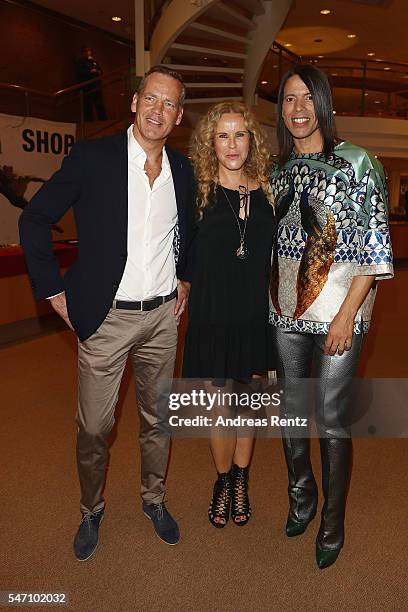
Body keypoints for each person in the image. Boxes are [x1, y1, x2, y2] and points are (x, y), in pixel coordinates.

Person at [19, 66, 196, 560]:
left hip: (162, 318)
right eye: (152, 99)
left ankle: (154, 499)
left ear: (178, 116)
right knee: (95, 427)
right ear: (136, 102)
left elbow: (189, 233)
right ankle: (91, 509)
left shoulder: (182, 170)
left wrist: (184, 277)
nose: (159, 110)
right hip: (106, 318)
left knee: (159, 419)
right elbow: (34, 219)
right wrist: (54, 291)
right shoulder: (93, 158)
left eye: (170, 104)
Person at [270, 65, 393, 568]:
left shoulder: (359, 162)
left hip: (341, 313)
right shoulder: (276, 170)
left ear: (324, 104)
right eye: (289, 99)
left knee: (333, 420)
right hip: (282, 312)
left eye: (307, 98)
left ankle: (332, 521)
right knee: (292, 415)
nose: (298, 109)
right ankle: (302, 497)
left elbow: (374, 244)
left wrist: (345, 316)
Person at [182, 101, 275, 528]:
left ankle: (241, 478)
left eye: (240, 134)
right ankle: (222, 481)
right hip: (211, 315)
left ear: (251, 139)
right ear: (210, 142)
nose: (232, 143)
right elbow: (176, 250)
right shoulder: (195, 189)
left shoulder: (270, 190)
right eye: (223, 135)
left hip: (254, 316)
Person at [76, 46, 107, 121]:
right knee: (88, 106)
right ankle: (89, 121)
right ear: (83, 53)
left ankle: (102, 120)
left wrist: (97, 71)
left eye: (89, 51)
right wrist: (91, 72)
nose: (89, 53)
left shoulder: (94, 61)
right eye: (87, 51)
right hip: (88, 87)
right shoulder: (81, 61)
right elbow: (81, 72)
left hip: (97, 86)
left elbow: (101, 71)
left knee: (99, 104)